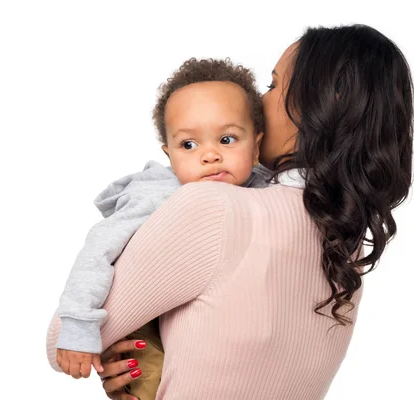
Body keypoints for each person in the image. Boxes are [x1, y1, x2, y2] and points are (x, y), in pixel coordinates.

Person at [47, 24, 413, 400]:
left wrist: (125, 357)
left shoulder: (211, 205)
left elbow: (61, 340)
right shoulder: (345, 238)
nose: (257, 100)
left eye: (272, 86)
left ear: (320, 101)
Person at [54, 58, 269, 399]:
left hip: (216, 329)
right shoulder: (157, 194)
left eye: (227, 139)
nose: (210, 155)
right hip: (145, 319)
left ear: (256, 146)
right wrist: (79, 325)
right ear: (169, 155)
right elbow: (100, 248)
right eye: (188, 145)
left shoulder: (268, 191)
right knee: (148, 380)